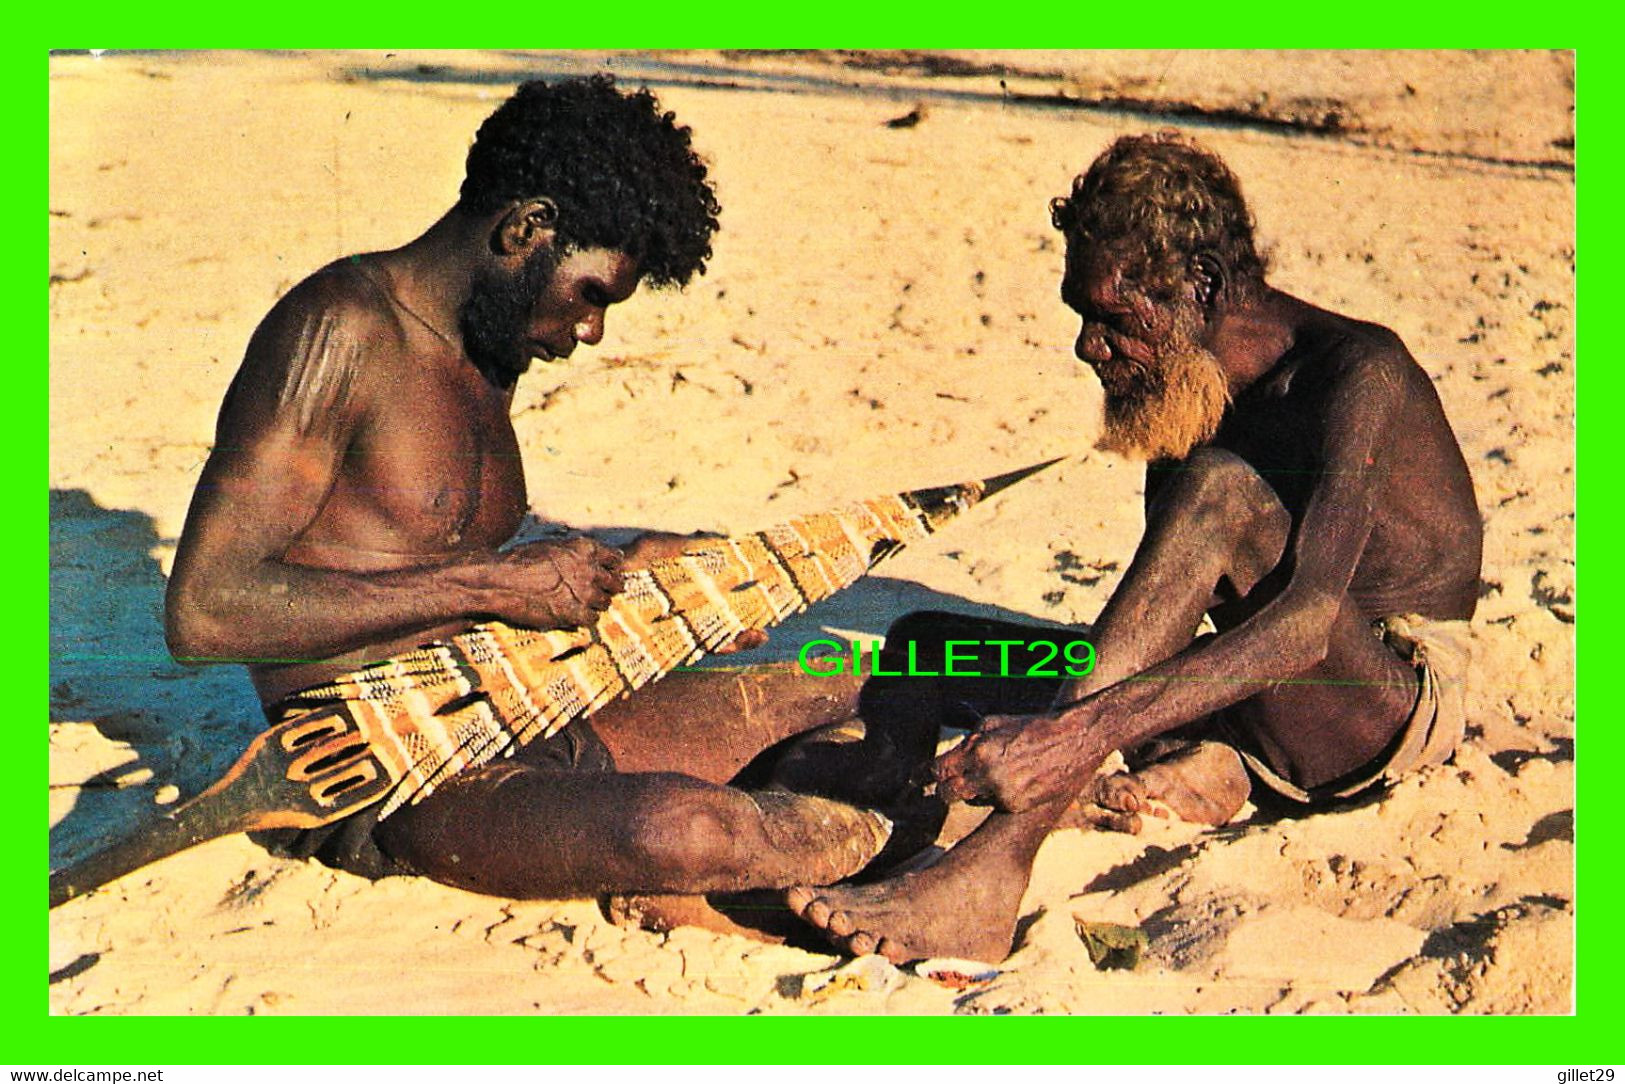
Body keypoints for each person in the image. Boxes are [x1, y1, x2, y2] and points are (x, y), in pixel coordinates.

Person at [165, 75, 928, 912]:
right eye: (592, 294)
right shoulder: (339, 327)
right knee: (685, 832)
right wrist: (493, 584)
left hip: (532, 700)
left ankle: (871, 828)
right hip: (389, 769)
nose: (593, 331)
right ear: (527, 227)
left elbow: (431, 553)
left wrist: (631, 571)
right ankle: (882, 842)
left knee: (861, 681)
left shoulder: (488, 347)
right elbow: (206, 611)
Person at [786, 131, 1481, 965]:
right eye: (1081, 317)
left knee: (1217, 491)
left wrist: (1071, 738)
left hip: (1376, 710)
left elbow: (1304, 624)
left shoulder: (1357, 373)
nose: (1088, 345)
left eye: (1112, 317)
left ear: (1204, 285)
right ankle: (899, 799)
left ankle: (993, 868)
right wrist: (1079, 726)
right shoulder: (1182, 395)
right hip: (1249, 694)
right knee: (924, 646)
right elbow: (1152, 625)